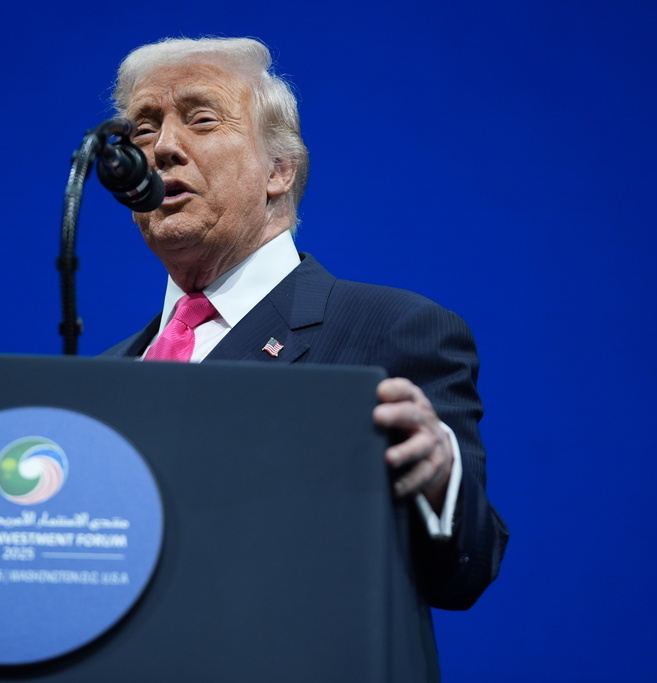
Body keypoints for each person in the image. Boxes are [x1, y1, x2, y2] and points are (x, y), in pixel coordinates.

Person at [102, 36, 508, 679]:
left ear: (279, 170)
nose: (163, 147)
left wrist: (439, 478)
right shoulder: (106, 373)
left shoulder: (391, 330)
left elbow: (468, 569)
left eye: (201, 119)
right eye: (144, 128)